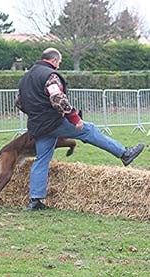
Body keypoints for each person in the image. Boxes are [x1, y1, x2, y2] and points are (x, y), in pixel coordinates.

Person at [16, 47, 145, 211]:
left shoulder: (25, 78)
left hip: (38, 125)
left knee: (41, 159)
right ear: (54, 60)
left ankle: (34, 201)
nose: (59, 66)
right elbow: (57, 98)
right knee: (89, 130)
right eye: (59, 63)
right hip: (53, 122)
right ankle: (124, 153)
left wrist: (35, 114)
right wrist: (74, 118)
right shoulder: (50, 75)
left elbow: (19, 102)